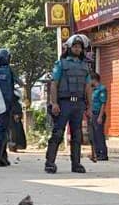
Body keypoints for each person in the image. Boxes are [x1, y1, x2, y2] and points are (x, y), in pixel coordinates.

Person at [46, 34, 92, 174]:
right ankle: (50, 163)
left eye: (80, 47)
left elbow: (88, 87)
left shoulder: (85, 66)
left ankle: (76, 164)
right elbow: (54, 84)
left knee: (77, 135)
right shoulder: (61, 64)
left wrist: (89, 106)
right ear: (70, 48)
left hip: (78, 104)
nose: (77, 49)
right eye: (75, 46)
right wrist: (54, 103)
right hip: (64, 103)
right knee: (58, 133)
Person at [0, 48, 19, 166]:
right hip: (5, 104)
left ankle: (3, 157)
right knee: (3, 130)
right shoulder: (9, 71)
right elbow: (15, 85)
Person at [89, 72, 109, 162]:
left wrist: (100, 116)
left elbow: (103, 103)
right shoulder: (93, 90)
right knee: (93, 135)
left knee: (99, 134)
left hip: (98, 114)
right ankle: (96, 153)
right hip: (93, 114)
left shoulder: (102, 89)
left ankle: (103, 154)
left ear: (94, 79)